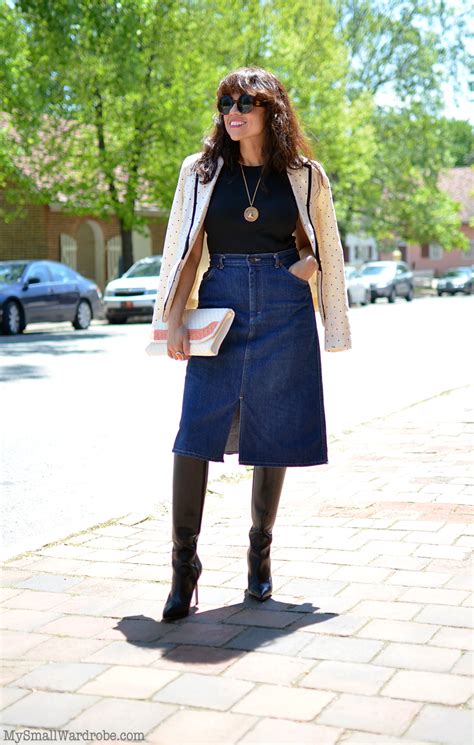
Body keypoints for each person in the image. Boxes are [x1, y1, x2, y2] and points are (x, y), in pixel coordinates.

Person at [150, 66, 351, 621]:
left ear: (271, 111)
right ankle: (183, 567)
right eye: (225, 102)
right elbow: (186, 246)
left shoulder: (305, 173)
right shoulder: (202, 170)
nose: (232, 111)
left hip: (285, 304)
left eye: (245, 102)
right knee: (195, 430)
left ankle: (259, 556)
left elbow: (325, 242)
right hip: (222, 301)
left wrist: (306, 270)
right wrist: (172, 316)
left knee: (276, 426)